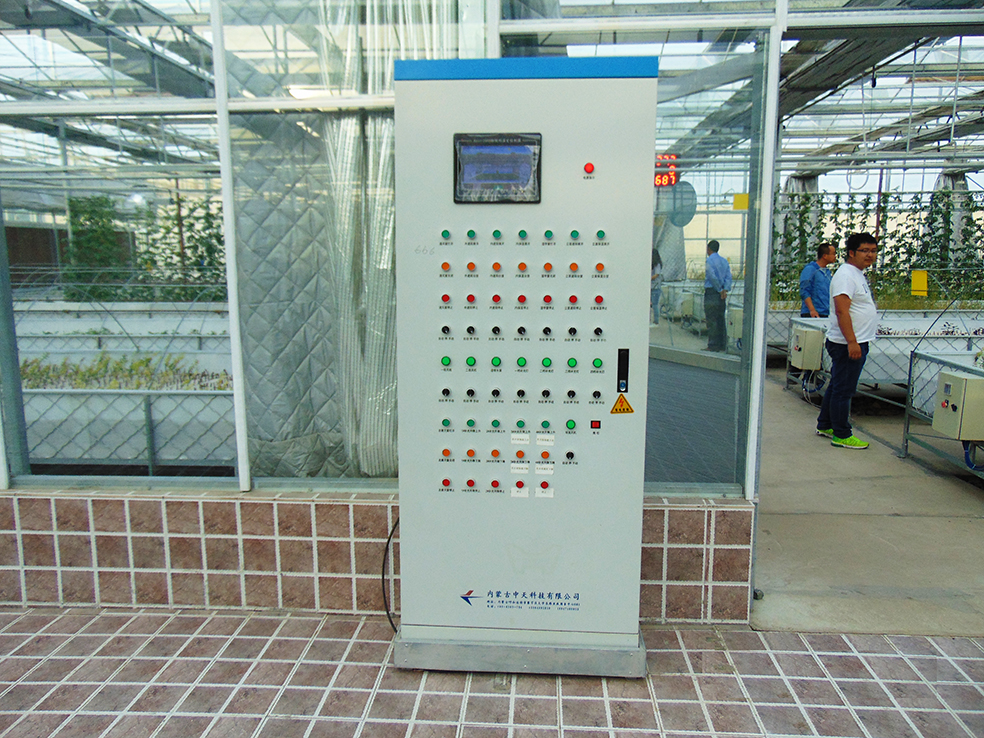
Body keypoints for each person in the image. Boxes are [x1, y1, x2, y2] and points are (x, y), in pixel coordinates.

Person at [816, 233, 879, 449]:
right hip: (847, 343)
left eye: (873, 251)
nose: (870, 255)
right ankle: (842, 434)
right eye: (864, 250)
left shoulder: (856, 273)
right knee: (844, 390)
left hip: (853, 341)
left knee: (837, 384)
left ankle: (825, 424)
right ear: (851, 252)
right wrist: (852, 342)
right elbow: (842, 311)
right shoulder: (846, 276)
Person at [703, 240, 732, 352]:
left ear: (709, 249)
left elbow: (711, 276)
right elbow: (728, 277)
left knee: (711, 319)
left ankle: (713, 344)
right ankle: (722, 344)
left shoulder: (709, 260)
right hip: (722, 295)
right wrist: (725, 289)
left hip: (712, 292)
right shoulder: (724, 261)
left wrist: (719, 289)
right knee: (720, 318)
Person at [799, 242, 836, 318]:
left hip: (826, 312)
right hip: (813, 314)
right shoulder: (810, 269)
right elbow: (804, 291)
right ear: (825, 256)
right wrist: (812, 310)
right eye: (833, 254)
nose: (835, 256)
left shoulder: (827, 272)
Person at [650, 250, 663, 325]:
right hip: (651, 287)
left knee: (655, 304)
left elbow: (657, 274)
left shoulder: (657, 264)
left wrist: (649, 278)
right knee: (650, 304)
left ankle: (656, 321)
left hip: (655, 287)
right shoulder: (651, 264)